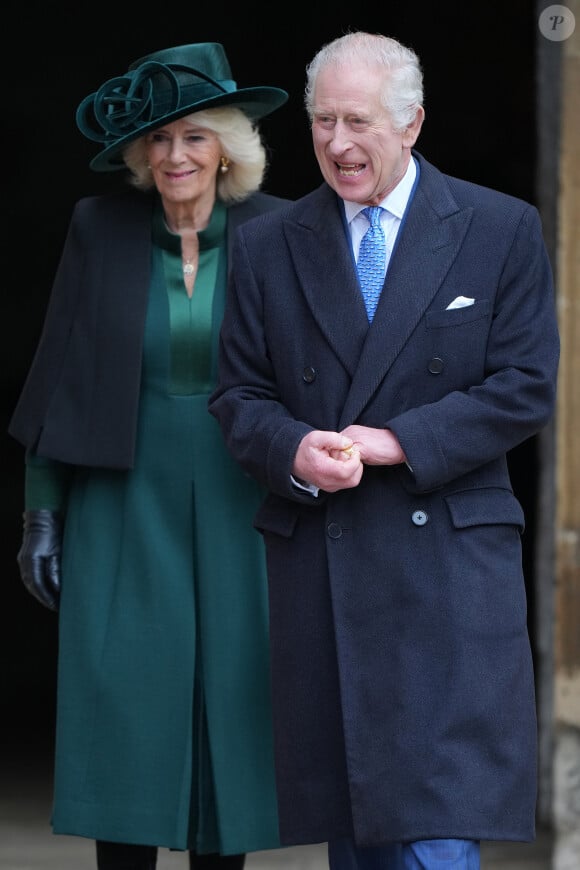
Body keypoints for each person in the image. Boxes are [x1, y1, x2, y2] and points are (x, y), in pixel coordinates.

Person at [208, 31, 560, 870]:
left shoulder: (498, 228)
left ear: (412, 125)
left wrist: (401, 438)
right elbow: (238, 396)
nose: (336, 143)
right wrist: (295, 449)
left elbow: (525, 385)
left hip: (446, 566)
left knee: (435, 827)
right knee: (359, 825)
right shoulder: (267, 245)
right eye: (322, 121)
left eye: (357, 121)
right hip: (327, 566)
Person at [9, 42, 289, 870]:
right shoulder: (101, 227)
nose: (175, 156)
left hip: (248, 497)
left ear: (228, 148)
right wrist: (40, 510)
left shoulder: (281, 230)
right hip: (123, 495)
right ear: (139, 153)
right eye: (159, 141)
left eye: (195, 138)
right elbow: (59, 371)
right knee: (123, 703)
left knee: (232, 710)